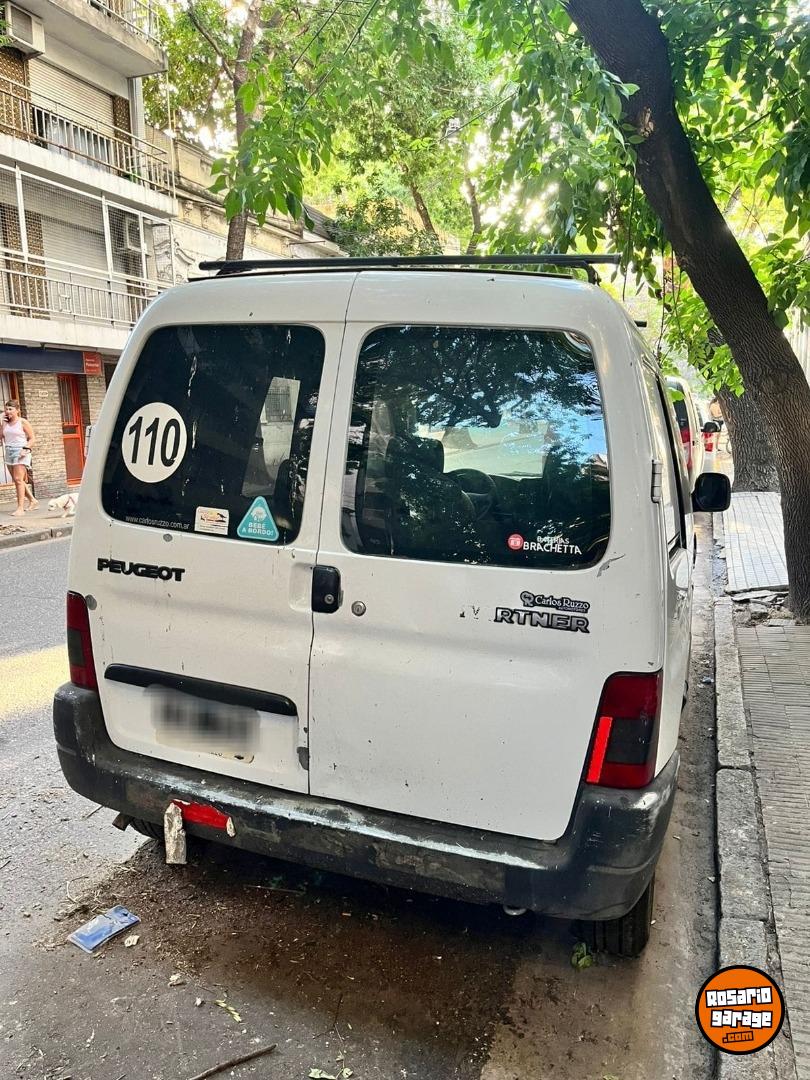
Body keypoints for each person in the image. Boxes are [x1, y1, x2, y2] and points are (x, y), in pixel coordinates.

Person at [2, 399, 38, 516]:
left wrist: (26, 449)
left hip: (21, 451)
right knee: (18, 480)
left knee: (18, 480)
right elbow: (1, 436)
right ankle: (33, 500)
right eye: (6, 409)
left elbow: (32, 438)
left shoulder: (23, 422)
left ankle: (20, 508)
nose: (8, 411)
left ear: (17, 410)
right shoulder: (5, 423)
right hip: (9, 451)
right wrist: (1, 423)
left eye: (10, 409)